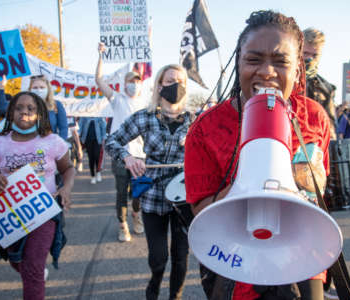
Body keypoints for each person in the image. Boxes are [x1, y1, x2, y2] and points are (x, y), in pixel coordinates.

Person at [185, 10, 331, 300]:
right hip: (237, 257)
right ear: (238, 63)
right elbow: (201, 210)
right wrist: (250, 183)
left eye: (281, 62)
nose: (267, 72)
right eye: (254, 59)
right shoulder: (205, 128)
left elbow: (321, 190)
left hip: (302, 254)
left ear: (298, 70)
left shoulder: (313, 116)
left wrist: (298, 179)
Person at [105, 64, 192, 300]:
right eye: (170, 80)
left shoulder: (195, 120)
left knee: (181, 256)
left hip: (185, 197)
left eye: (181, 81)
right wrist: (127, 156)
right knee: (158, 257)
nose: (176, 85)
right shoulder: (144, 117)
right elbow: (111, 142)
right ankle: (153, 284)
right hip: (154, 196)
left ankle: (176, 296)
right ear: (160, 85)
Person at [0, 91, 74, 300]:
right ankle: (35, 274)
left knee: (32, 267)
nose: (24, 112)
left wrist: (65, 188)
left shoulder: (52, 141)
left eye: (31, 109)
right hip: (9, 216)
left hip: (43, 213)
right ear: (11, 113)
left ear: (40, 114)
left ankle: (36, 275)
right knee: (16, 260)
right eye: (19, 108)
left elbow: (68, 169)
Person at [96, 42, 146, 239]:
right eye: (130, 81)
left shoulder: (146, 103)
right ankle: (122, 224)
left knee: (138, 193)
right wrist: (100, 55)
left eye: (137, 81)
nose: (134, 84)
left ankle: (136, 214)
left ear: (141, 83)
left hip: (140, 156)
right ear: (125, 84)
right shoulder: (117, 99)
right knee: (121, 193)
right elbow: (99, 80)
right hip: (120, 157)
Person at [0, 75, 68, 141]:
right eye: (35, 87)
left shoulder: (56, 105)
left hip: (50, 148)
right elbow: (2, 106)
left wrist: (60, 145)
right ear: (30, 89)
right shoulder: (22, 103)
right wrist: (1, 87)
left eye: (42, 87)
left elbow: (63, 128)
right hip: (26, 147)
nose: (39, 90)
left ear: (48, 89)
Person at [303, 28, 337, 140]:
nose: (309, 59)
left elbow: (330, 124)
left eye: (315, 55)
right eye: (305, 53)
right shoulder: (282, 80)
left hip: (313, 147)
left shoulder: (327, 88)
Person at [78, 117, 106, 184]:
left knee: (97, 156)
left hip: (98, 140)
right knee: (91, 158)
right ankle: (93, 176)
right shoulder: (84, 117)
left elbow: (103, 127)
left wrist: (104, 138)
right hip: (87, 140)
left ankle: (98, 172)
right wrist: (77, 136)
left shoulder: (100, 116)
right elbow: (80, 127)